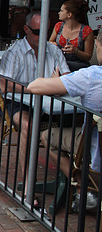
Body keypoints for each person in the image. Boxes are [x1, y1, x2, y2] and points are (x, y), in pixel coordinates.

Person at [0, 11, 70, 204]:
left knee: (73, 125)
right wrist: (38, 88)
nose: (42, 37)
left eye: (45, 32)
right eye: (37, 32)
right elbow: (4, 85)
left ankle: (73, 183)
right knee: (27, 126)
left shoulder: (54, 51)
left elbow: (66, 79)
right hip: (20, 102)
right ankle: (28, 183)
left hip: (51, 103)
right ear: (26, 30)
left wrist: (54, 86)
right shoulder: (14, 52)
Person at [28, 31, 102, 212]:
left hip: (96, 148)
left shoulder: (91, 76)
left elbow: (34, 86)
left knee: (48, 137)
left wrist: (58, 80)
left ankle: (86, 189)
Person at [49, 0, 93, 72]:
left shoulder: (86, 31)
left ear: (69, 14)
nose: (59, 13)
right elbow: (50, 41)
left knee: (61, 66)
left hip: (78, 65)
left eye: (62, 11)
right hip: (59, 61)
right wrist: (52, 44)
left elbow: (88, 56)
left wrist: (76, 51)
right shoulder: (59, 26)